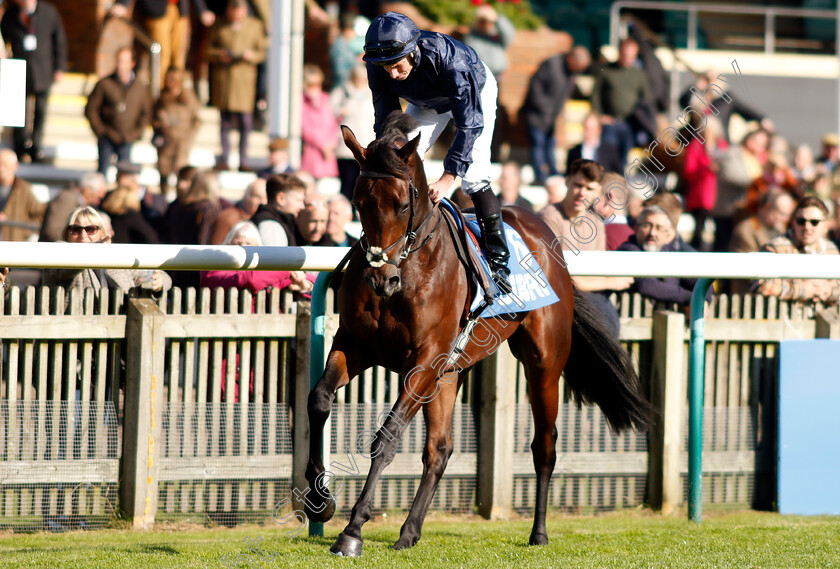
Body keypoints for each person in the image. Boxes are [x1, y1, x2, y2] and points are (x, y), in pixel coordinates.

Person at [363, 11, 510, 290]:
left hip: (474, 92)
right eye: (386, 68)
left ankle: (500, 261)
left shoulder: (451, 61)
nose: (393, 74)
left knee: (474, 174)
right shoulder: (377, 63)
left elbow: (469, 124)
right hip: (428, 101)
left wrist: (448, 178)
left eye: (396, 65)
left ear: (412, 49)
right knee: (395, 158)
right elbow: (386, 117)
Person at [538, 159, 632, 335]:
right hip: (557, 301)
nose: (582, 193)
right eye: (578, 185)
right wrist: (611, 282)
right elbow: (559, 278)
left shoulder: (596, 223)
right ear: (567, 181)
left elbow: (596, 270)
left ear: (597, 192)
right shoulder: (549, 217)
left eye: (589, 189)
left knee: (609, 325)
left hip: (591, 299)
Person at [39, 206, 171, 310]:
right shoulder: (57, 253)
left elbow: (163, 277)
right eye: (75, 230)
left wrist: (157, 283)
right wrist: (94, 251)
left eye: (90, 229)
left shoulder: (117, 257)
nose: (83, 235)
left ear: (102, 233)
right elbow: (62, 269)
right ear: (66, 234)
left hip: (118, 339)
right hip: (73, 341)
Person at [0, 0, 67, 163]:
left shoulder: (49, 12)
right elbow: (3, 39)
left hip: (42, 68)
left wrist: (59, 67)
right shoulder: (11, 15)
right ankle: (19, 147)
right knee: (17, 110)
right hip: (18, 68)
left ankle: (36, 147)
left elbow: (59, 40)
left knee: (41, 110)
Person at [206, 0, 268, 171]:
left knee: (245, 123)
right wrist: (220, 55)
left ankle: (243, 159)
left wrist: (251, 56)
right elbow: (207, 51)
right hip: (225, 79)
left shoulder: (255, 26)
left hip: (244, 80)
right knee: (225, 122)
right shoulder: (220, 26)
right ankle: (224, 158)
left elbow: (262, 52)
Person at [519, 45, 591, 184]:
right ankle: (539, 176)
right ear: (571, 59)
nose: (579, 71)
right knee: (538, 144)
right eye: (578, 67)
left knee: (549, 144)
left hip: (550, 116)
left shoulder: (571, 72)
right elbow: (535, 87)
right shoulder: (551, 65)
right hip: (537, 113)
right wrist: (544, 108)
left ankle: (553, 172)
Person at [752, 196, 840, 305]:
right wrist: (802, 290)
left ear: (825, 226)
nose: (807, 226)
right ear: (793, 222)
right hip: (783, 318)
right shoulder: (777, 247)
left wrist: (827, 291)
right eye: (801, 221)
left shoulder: (831, 250)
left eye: (814, 222)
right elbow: (759, 284)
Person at [109, 0, 216, 85]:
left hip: (179, 10)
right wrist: (123, 4)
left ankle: (176, 92)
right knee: (162, 54)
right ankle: (160, 93)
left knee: (178, 57)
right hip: (158, 10)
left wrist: (202, 10)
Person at [84, 47, 153, 176]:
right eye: (119, 61)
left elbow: (146, 113)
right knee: (102, 172)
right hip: (107, 135)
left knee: (125, 173)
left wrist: (136, 132)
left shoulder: (140, 86)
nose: (120, 65)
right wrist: (101, 130)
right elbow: (91, 109)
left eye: (124, 61)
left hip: (127, 137)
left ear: (132, 63)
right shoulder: (104, 84)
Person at [617, 205, 702, 306]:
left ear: (667, 235)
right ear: (636, 229)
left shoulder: (670, 253)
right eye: (647, 226)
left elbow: (700, 279)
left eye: (659, 228)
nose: (652, 233)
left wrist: (704, 300)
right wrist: (691, 297)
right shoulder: (627, 251)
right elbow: (646, 285)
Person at [591, 37, 654, 168]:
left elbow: (646, 99)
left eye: (632, 56)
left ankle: (619, 185)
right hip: (610, 122)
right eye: (626, 55)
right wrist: (599, 116)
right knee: (607, 158)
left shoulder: (639, 75)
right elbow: (596, 95)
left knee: (623, 160)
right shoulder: (607, 71)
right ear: (620, 52)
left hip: (629, 123)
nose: (628, 58)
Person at [330, 63, 375, 204]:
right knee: (347, 182)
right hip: (346, 147)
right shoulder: (342, 92)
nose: (360, 81)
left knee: (364, 181)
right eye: (358, 78)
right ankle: (344, 209)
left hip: (366, 145)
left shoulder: (371, 93)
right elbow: (330, 113)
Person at [152, 67, 200, 194]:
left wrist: (190, 135)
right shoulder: (163, 97)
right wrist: (160, 125)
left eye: (172, 79)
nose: (169, 82)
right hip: (167, 140)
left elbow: (197, 119)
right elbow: (153, 116)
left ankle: (181, 197)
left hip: (182, 141)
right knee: (164, 170)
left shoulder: (188, 97)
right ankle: (163, 195)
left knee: (181, 171)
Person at [39, 172, 107, 243]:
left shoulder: (76, 201)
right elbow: (52, 231)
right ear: (88, 189)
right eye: (98, 197)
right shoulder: (67, 199)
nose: (98, 202)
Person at [300, 64, 340, 180]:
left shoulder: (325, 99)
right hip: (312, 151)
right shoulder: (302, 102)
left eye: (318, 84)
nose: (315, 88)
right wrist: (322, 145)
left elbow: (333, 124)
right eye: (311, 85)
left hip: (328, 153)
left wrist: (331, 144)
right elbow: (306, 128)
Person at [0, 149, 46, 241]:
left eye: (4, 164)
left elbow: (41, 215)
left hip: (13, 244)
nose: (1, 168)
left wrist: (23, 228)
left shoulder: (24, 190)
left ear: (15, 166)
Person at [250, 173, 307, 246]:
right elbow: (275, 256)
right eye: (299, 200)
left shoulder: (279, 222)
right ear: (281, 199)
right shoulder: (271, 227)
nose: (302, 206)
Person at [209, 177, 267, 245]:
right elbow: (216, 249)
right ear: (246, 196)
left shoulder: (263, 220)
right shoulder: (228, 217)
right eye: (257, 197)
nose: (263, 202)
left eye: (266, 198)